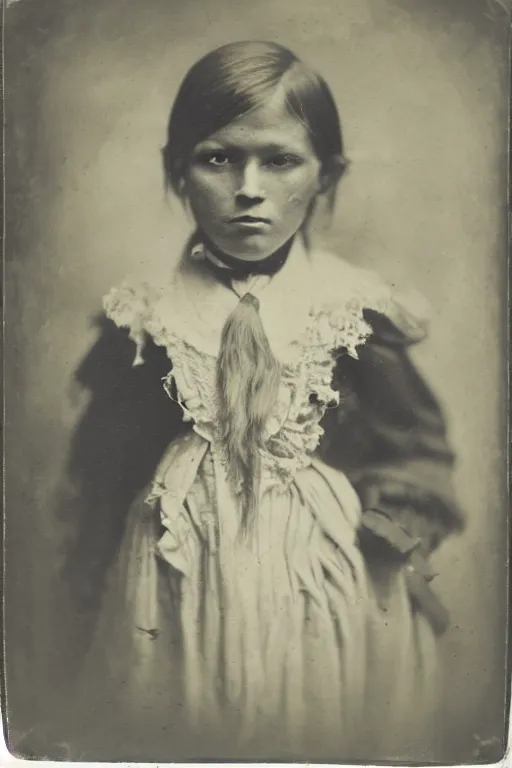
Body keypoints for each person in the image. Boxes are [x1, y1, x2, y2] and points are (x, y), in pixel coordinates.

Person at [70, 41, 464, 762]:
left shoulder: (353, 311)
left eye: (280, 160)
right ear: (176, 172)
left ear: (325, 177)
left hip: (325, 582)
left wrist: (383, 529)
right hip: (177, 579)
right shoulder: (145, 321)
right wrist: (88, 592)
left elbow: (418, 451)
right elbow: (99, 475)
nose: (248, 187)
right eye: (217, 158)